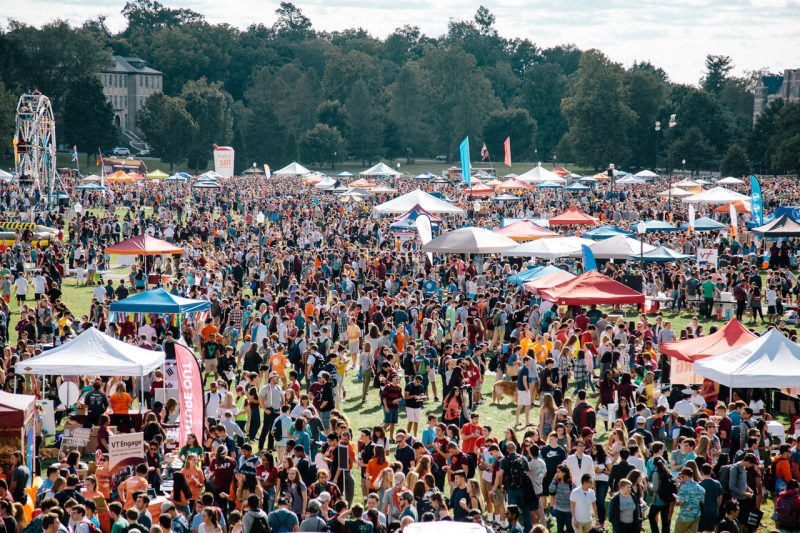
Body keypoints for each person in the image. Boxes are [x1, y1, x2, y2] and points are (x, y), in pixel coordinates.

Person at [674, 467, 706, 533]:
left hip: (685, 516)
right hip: (696, 516)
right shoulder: (701, 488)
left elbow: (680, 502)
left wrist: (676, 498)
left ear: (684, 475)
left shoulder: (684, 487)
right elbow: (702, 501)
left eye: (682, 475)